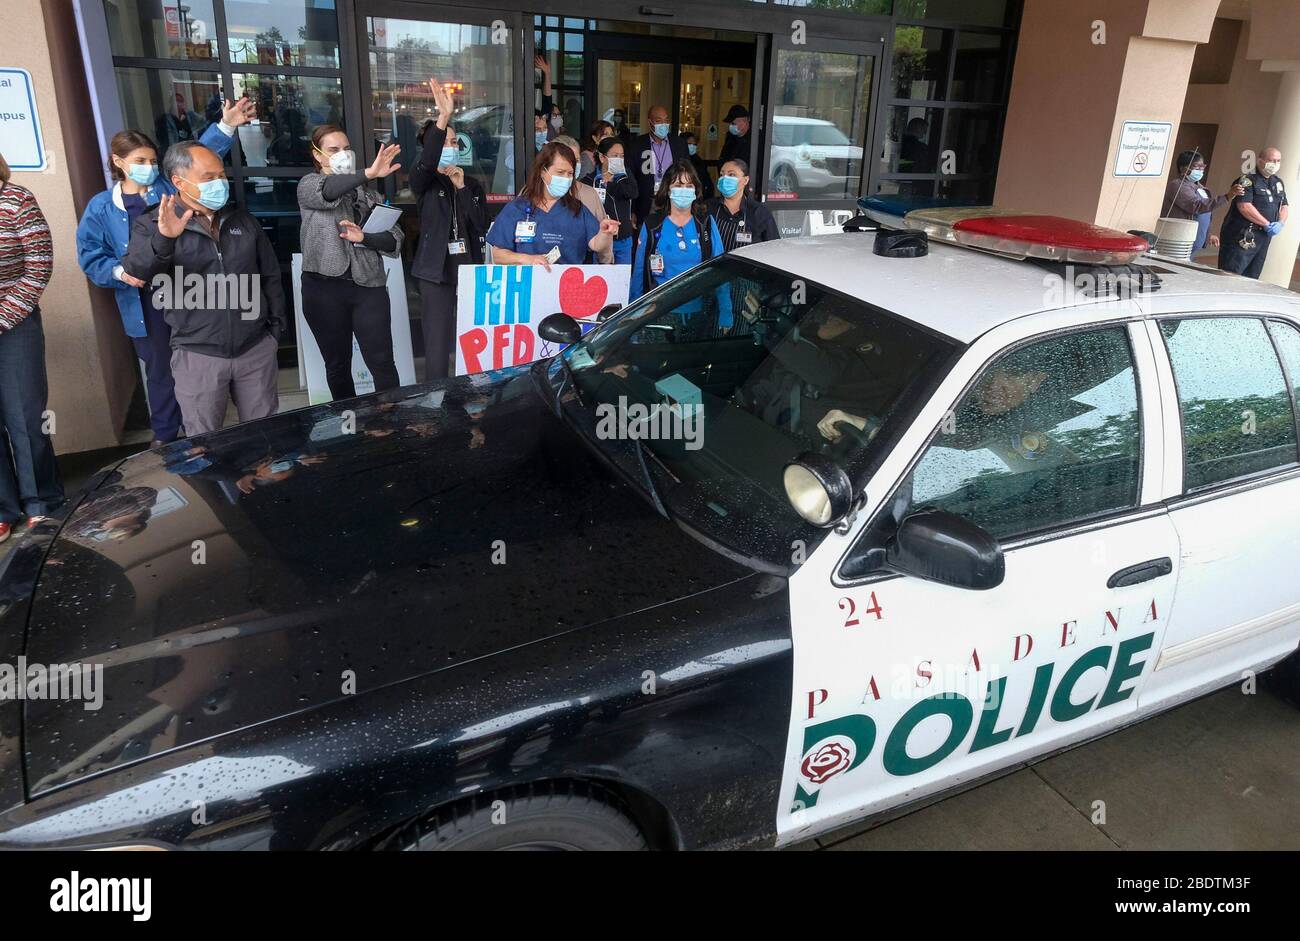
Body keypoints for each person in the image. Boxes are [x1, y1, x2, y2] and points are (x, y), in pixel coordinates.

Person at [76, 99, 257, 446]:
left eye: (151, 161)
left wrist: (228, 125)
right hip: (143, 301)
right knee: (160, 370)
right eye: (139, 161)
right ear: (118, 162)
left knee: (195, 360)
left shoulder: (165, 188)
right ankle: (166, 435)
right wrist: (117, 272)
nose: (147, 167)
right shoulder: (101, 206)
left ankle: (197, 426)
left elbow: (198, 157)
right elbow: (89, 255)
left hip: (183, 291)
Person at [121, 141, 285, 436]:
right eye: (209, 178)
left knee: (265, 438)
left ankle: (259, 481)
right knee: (205, 445)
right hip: (198, 355)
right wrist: (164, 238)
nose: (220, 184)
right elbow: (137, 271)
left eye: (221, 176)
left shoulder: (240, 219)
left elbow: (270, 274)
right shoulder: (152, 223)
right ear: (178, 182)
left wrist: (275, 331)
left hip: (255, 349)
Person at [297, 126, 405, 402]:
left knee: (382, 362)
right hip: (323, 290)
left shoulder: (369, 196)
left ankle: (393, 423)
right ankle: (349, 426)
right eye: (334, 150)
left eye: (347, 149)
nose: (343, 155)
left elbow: (395, 242)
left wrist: (365, 237)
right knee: (337, 365)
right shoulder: (309, 185)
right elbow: (330, 191)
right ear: (318, 156)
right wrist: (369, 173)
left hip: (368, 288)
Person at [0, 152, 63, 544]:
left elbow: (39, 264)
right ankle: (3, 509)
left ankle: (42, 503)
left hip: (15, 325)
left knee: (26, 420)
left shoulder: (17, 201)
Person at [411, 78, 488, 381]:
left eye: (454, 142)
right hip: (435, 273)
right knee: (437, 344)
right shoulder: (424, 181)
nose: (451, 146)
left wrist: (462, 188)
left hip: (469, 270)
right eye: (445, 141)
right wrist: (442, 118)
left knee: (473, 340)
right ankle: (436, 401)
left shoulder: (471, 184)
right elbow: (427, 163)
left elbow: (480, 224)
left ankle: (471, 394)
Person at [485, 142, 619, 269]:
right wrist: (528, 259)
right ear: (543, 172)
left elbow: (596, 244)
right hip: (529, 286)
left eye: (570, 173)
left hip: (566, 285)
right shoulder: (517, 208)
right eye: (560, 172)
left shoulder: (577, 209)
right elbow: (498, 255)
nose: (566, 178)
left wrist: (604, 233)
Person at [629, 160, 726, 305]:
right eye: (678, 186)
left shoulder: (706, 223)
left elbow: (720, 270)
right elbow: (639, 271)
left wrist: (725, 312)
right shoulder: (652, 224)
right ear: (668, 190)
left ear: (695, 190)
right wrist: (634, 311)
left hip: (700, 311)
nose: (684, 190)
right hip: (659, 310)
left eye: (689, 186)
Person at [1218, 147, 1289, 279]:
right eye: (1271, 160)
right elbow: (1244, 206)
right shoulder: (1247, 180)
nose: (1275, 164)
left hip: (1264, 237)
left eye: (1278, 161)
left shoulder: (1277, 182)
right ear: (1260, 160)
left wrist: (1280, 223)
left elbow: (1284, 205)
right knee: (1231, 274)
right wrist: (1266, 223)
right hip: (1244, 234)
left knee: (1252, 276)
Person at [1162, 150, 1244, 255]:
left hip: (1195, 241)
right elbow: (1197, 206)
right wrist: (1227, 197)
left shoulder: (1201, 188)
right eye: (1196, 167)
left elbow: (1206, 213)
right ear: (1183, 169)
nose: (1200, 170)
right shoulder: (1178, 185)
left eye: (1202, 167)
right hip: (1179, 241)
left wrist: (1207, 235)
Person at [554, 135, 614, 264]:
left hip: (581, 270)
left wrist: (606, 266)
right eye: (568, 159)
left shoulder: (589, 194)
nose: (574, 165)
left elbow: (603, 234)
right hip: (539, 272)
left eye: (577, 159)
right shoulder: (531, 194)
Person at [582, 137, 638, 264]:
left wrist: (611, 183)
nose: (619, 160)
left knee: (622, 279)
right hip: (600, 238)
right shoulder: (590, 180)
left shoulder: (625, 175)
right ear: (602, 157)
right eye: (615, 156)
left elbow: (633, 193)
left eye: (621, 156)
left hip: (623, 237)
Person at [629, 105, 689, 224]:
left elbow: (687, 173)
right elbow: (632, 178)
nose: (663, 124)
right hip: (647, 203)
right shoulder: (637, 145)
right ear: (649, 122)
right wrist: (632, 210)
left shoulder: (679, 144)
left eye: (666, 120)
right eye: (658, 121)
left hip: (674, 201)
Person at [706, 159, 779, 252]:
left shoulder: (759, 212)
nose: (725, 178)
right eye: (721, 174)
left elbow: (774, 247)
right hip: (712, 265)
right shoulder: (708, 206)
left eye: (731, 174)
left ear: (745, 180)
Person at [683, 132, 715, 201]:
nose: (692, 146)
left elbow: (706, 179)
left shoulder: (699, 161)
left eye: (694, 144)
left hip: (700, 197)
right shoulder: (679, 160)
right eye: (689, 143)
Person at [718, 105, 751, 169]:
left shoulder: (755, 139)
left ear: (744, 121)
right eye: (730, 123)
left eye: (733, 123)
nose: (730, 126)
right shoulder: (730, 138)